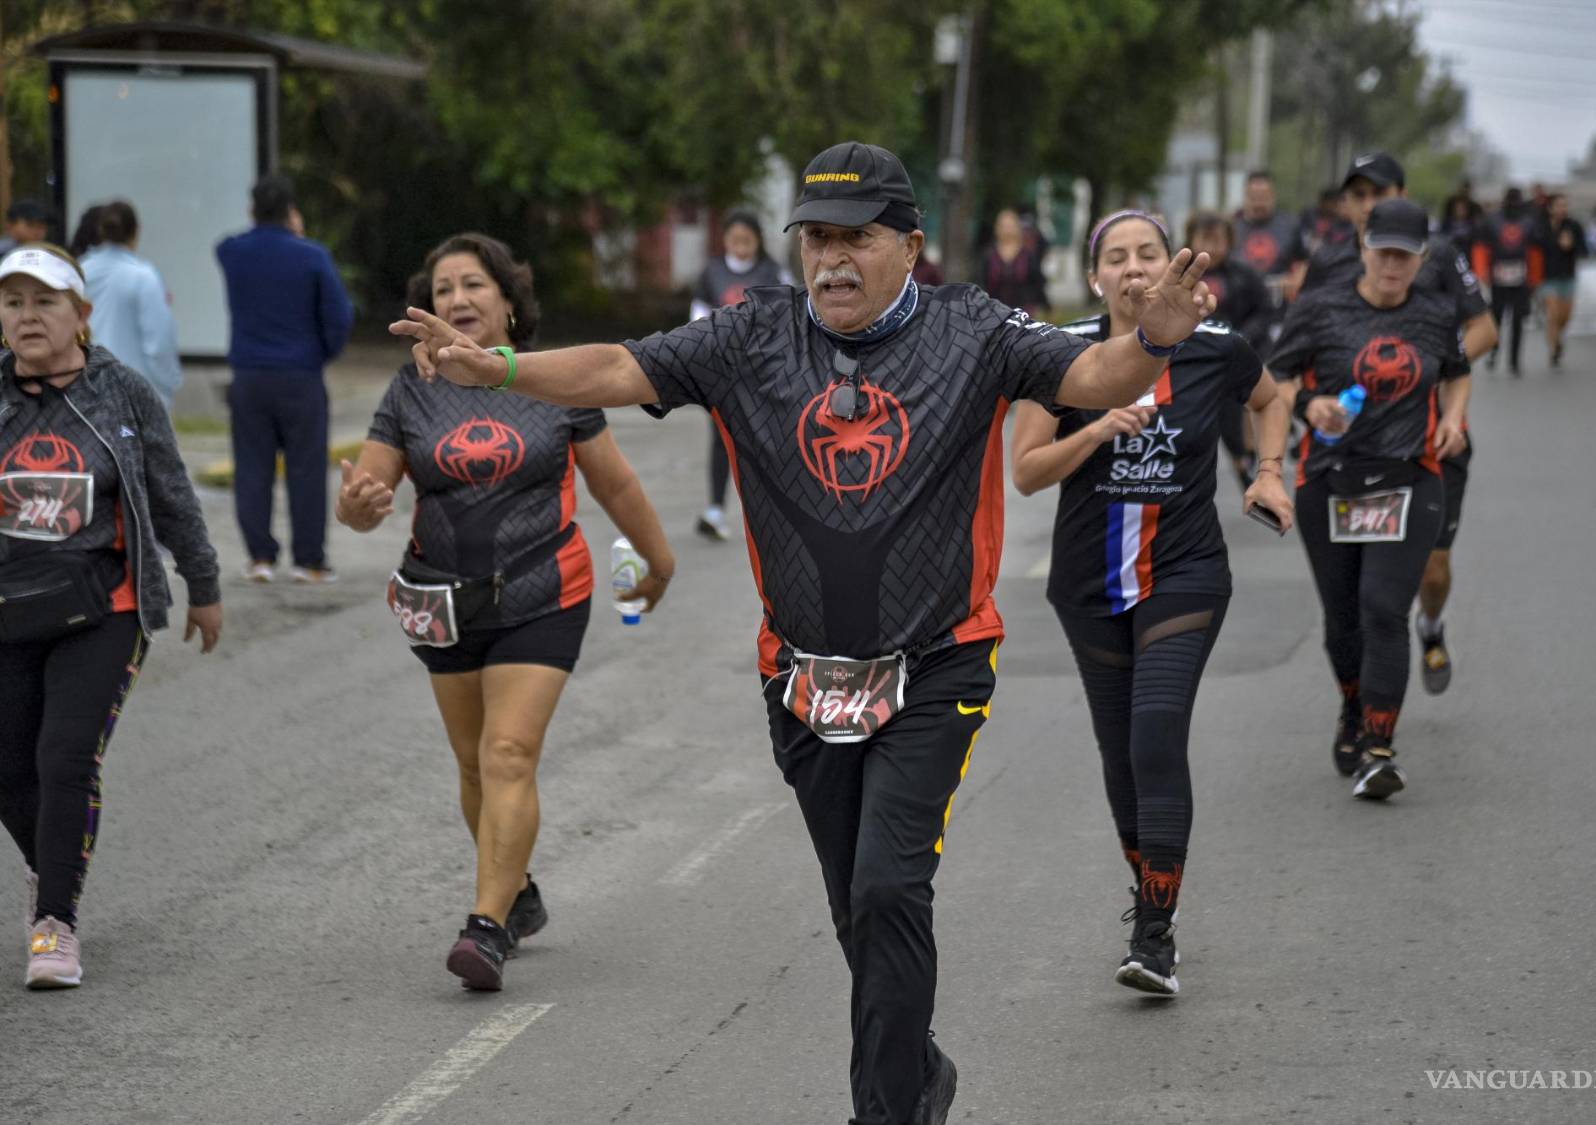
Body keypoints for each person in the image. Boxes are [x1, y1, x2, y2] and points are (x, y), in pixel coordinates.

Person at [392, 140, 1216, 1125]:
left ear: (907, 245)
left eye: (853, 238)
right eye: (813, 238)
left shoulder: (972, 329)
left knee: (885, 890)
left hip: (938, 663)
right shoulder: (749, 337)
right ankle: (916, 1074)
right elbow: (618, 365)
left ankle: (886, 1110)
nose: (829, 258)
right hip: (800, 679)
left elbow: (1090, 371)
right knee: (856, 910)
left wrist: (1151, 342)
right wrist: (504, 368)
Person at [339, 233, 674, 991]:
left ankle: (484, 926)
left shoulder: (552, 384)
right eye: (444, 288)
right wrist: (358, 504)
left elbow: (615, 485)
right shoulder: (409, 393)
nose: (458, 299)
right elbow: (367, 496)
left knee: (508, 753)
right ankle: (517, 893)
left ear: (507, 298)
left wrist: (660, 560)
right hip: (444, 600)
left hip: (544, 590)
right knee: (473, 763)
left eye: (473, 285)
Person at [1010, 210, 1292, 995]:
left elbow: (1271, 400)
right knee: (1120, 752)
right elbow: (1026, 471)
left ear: (1179, 267)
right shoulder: (1057, 354)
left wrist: (1269, 471)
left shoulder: (1218, 348)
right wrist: (1096, 429)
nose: (1134, 269)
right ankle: (1149, 891)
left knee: (1157, 730)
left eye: (1149, 254)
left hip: (1186, 571)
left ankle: (1155, 933)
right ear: (1094, 275)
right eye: (1116, 258)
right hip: (1089, 584)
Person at [0, 244, 221, 989]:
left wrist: (204, 582)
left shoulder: (122, 393)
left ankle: (55, 922)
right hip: (7, 606)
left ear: (83, 315)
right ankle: (51, 865)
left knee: (64, 755)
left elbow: (171, 493)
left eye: (45, 302)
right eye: (12, 303)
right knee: (9, 765)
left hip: (105, 607)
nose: (26, 317)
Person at [1271, 199, 1470, 799]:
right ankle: (1354, 709)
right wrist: (1309, 406)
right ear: (1363, 249)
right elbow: (1273, 379)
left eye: (1404, 257)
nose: (1392, 266)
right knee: (1342, 623)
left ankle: (1379, 748)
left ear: (1420, 259)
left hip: (1410, 477)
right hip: (1330, 480)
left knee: (1383, 608)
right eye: (1383, 252)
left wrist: (1455, 417)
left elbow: (1458, 369)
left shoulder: (1437, 314)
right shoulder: (1320, 308)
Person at [1301, 152, 1494, 699]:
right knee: (1365, 593)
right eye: (1357, 196)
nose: (1367, 205)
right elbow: (1303, 346)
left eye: (1378, 194)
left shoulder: (1439, 257)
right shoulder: (1328, 263)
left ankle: (1429, 625)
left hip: (1430, 434)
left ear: (1402, 196)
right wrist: (1315, 405)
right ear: (1345, 206)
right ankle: (1367, 701)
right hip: (1355, 445)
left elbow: (1482, 329)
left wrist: (1425, 375)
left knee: (1432, 570)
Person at [216, 173, 354, 585]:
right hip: (300, 376)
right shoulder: (312, 256)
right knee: (306, 469)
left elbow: (229, 244)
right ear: (292, 212)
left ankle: (261, 557)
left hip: (249, 376)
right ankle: (308, 560)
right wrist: (321, 354)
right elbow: (339, 316)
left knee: (252, 467)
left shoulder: (231, 252)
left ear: (251, 209)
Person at [690, 211, 791, 542]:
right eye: (735, 240)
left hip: (764, 373)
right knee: (721, 440)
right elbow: (699, 319)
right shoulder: (711, 273)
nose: (741, 246)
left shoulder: (774, 273)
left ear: (757, 241)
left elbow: (790, 320)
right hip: (724, 372)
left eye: (747, 240)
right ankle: (715, 509)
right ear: (726, 241)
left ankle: (774, 511)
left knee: (765, 441)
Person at [1185, 210, 1271, 489]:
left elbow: (1263, 310)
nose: (1211, 248)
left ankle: (1244, 461)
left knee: (1234, 414)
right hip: (1189, 360)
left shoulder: (1244, 275)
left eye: (1218, 240)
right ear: (1191, 239)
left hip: (1231, 358)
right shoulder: (1180, 275)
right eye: (1204, 239)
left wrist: (1243, 337)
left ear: (1230, 241)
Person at [81, 202, 184, 410]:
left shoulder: (80, 270)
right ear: (136, 231)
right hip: (135, 391)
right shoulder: (143, 276)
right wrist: (169, 382)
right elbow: (159, 340)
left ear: (101, 230)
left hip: (85, 386)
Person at [1472, 187, 1543, 378]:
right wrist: (1482, 272)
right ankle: (1494, 353)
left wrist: (1535, 278)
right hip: (1498, 277)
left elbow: (1536, 250)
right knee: (1497, 319)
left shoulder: (1529, 221)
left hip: (1521, 278)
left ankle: (1514, 361)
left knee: (1518, 319)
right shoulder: (1492, 220)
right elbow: (1481, 247)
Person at [1233, 170, 1308, 310]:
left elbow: (1303, 261)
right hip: (1240, 304)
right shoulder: (1231, 227)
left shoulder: (1290, 225)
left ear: (1273, 196)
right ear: (1245, 197)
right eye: (1254, 197)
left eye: (1263, 197)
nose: (1258, 203)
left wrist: (1295, 280)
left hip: (1279, 303)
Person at [1538, 194, 1587, 368]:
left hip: (1568, 277)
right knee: (1553, 314)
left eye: (1565, 205)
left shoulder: (1573, 226)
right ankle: (1554, 348)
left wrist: (1571, 244)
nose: (1562, 209)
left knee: (1565, 317)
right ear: (1550, 208)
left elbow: (1584, 250)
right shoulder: (1541, 226)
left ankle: (1557, 337)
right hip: (1547, 278)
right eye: (1558, 205)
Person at [979, 206, 1049, 319]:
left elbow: (1038, 284)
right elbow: (982, 285)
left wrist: (1046, 307)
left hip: (1024, 315)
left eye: (1010, 226)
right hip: (995, 315)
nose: (1007, 230)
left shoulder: (1027, 255)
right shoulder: (989, 256)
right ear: (997, 228)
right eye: (1003, 226)